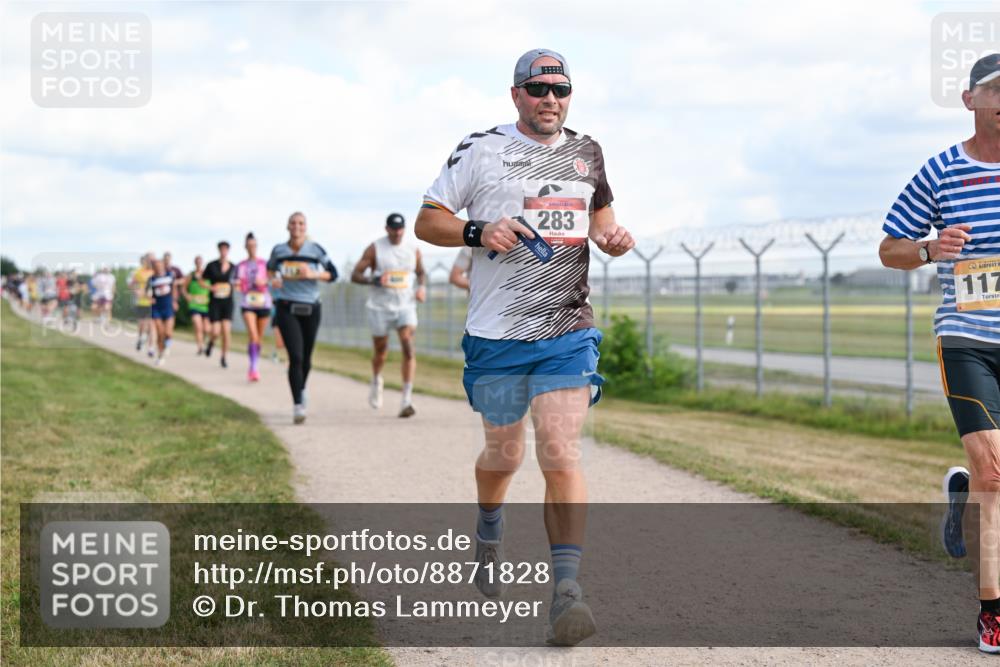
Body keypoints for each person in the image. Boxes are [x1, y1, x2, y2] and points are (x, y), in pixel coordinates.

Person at [414, 48, 634, 646]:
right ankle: (489, 524)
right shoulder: (480, 148)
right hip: (496, 336)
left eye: (561, 90)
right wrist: (477, 230)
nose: (550, 100)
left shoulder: (588, 151)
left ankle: (566, 594)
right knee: (504, 457)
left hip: (567, 330)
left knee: (560, 452)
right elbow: (427, 220)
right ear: (515, 95)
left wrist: (611, 235)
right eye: (538, 89)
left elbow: (601, 214)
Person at [880, 53, 1000, 654]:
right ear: (970, 99)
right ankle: (993, 614)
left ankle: (961, 496)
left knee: (990, 481)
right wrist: (931, 249)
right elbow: (889, 248)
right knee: (995, 473)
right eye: (997, 89)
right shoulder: (942, 170)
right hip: (968, 337)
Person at [351, 213, 427, 417]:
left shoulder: (413, 250)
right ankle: (376, 379)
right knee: (381, 352)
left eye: (400, 229)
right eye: (393, 229)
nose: (397, 232)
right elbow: (355, 275)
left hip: (405, 306)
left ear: (404, 228)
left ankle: (406, 400)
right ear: (387, 229)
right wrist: (374, 280)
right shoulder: (375, 248)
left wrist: (421, 288)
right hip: (379, 307)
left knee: (408, 347)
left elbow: (421, 272)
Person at [268, 212, 338, 424]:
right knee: (295, 357)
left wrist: (313, 274)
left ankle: (302, 387)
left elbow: (333, 274)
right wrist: (275, 280)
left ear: (305, 227)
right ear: (287, 226)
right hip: (286, 306)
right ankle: (298, 404)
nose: (297, 227)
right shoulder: (279, 250)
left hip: (311, 307)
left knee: (306, 359)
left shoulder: (315, 250)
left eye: (301, 223)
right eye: (293, 223)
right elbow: (270, 269)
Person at [237, 232, 273, 382]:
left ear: (256, 246)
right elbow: (236, 283)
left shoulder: (265, 264)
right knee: (253, 334)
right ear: (245, 246)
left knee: (259, 337)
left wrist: (264, 282)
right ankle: (253, 368)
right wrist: (241, 285)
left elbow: (273, 280)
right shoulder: (241, 265)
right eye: (249, 245)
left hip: (263, 302)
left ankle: (255, 363)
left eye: (254, 245)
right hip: (248, 303)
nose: (252, 248)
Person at [204, 241, 235, 368]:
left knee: (226, 331)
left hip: (227, 302)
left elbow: (237, 281)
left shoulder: (233, 267)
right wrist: (211, 287)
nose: (223, 251)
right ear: (218, 250)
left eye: (225, 249)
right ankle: (211, 343)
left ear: (228, 250)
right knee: (216, 331)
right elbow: (201, 281)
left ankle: (224, 357)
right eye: (221, 249)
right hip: (215, 302)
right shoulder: (211, 265)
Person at [147, 258, 178, 366]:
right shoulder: (151, 279)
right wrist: (149, 298)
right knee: (160, 333)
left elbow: (174, 289)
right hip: (156, 308)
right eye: (156, 266)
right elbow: (147, 293)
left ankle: (167, 344)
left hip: (168, 306)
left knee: (168, 333)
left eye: (160, 266)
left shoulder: (170, 275)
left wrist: (175, 301)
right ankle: (161, 355)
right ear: (154, 268)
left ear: (163, 266)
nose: (158, 268)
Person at [129, 254, 156, 356]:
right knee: (141, 324)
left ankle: (151, 348)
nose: (151, 262)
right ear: (145, 260)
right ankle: (140, 338)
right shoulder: (139, 272)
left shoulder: (156, 272)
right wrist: (136, 290)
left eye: (153, 260)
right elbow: (132, 284)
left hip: (153, 302)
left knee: (151, 325)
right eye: (149, 260)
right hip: (142, 302)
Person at [182, 256, 211, 354]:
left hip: (206, 305)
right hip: (194, 304)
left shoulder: (207, 275)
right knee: (198, 326)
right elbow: (183, 288)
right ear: (195, 263)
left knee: (207, 329)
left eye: (200, 261)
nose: (198, 263)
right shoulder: (191, 275)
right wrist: (187, 296)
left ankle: (204, 340)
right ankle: (200, 347)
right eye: (197, 262)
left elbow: (212, 287)